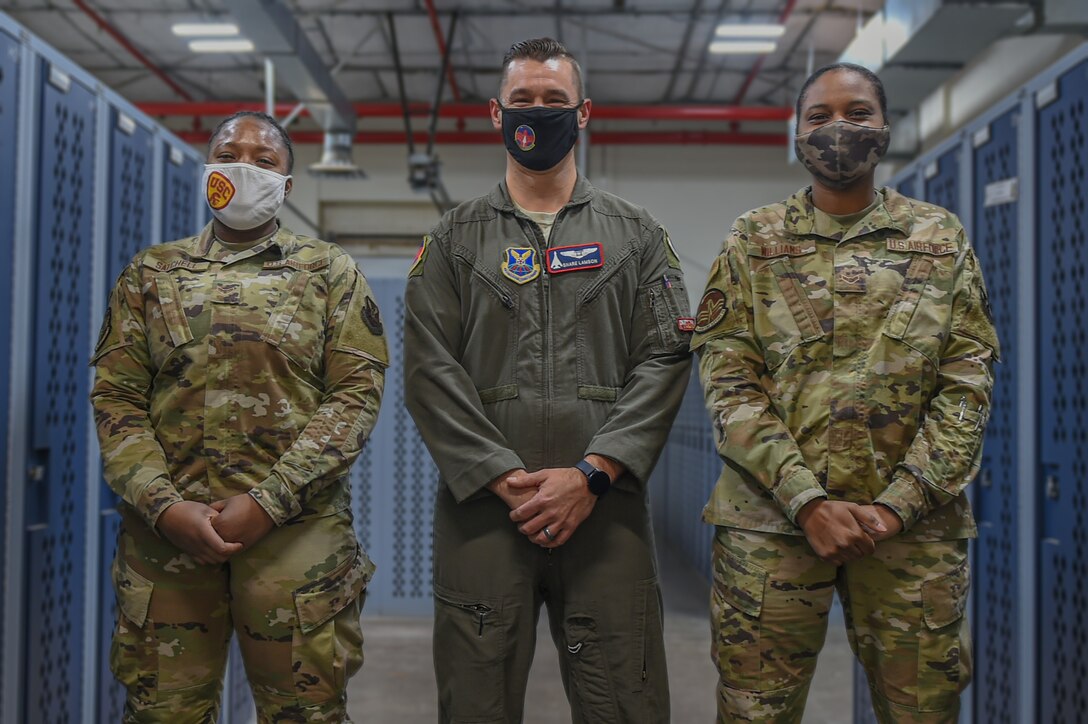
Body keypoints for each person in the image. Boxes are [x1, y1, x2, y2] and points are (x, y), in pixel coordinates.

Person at [692, 62, 999, 723]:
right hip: (771, 524)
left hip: (912, 531)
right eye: (820, 115)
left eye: (858, 113)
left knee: (923, 710)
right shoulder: (753, 240)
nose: (839, 129)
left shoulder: (939, 238)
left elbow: (966, 384)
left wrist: (897, 506)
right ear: (796, 134)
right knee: (755, 713)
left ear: (885, 128)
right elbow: (728, 379)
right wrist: (806, 501)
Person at [403, 37, 693, 723]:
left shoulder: (636, 236)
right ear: (496, 113)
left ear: (583, 113)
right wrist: (506, 478)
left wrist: (591, 474)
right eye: (524, 99)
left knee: (625, 700)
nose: (539, 111)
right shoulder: (454, 240)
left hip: (606, 511)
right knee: (475, 700)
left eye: (555, 100)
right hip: (483, 514)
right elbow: (428, 366)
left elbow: (666, 358)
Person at [91, 111, 387, 722]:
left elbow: (354, 397)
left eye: (264, 159)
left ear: (286, 185)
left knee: (305, 715)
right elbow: (116, 398)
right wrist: (163, 505)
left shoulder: (329, 272)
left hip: (296, 543)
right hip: (166, 543)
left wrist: (270, 500)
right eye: (230, 154)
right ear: (209, 171)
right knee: (161, 714)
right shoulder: (151, 274)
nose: (244, 167)